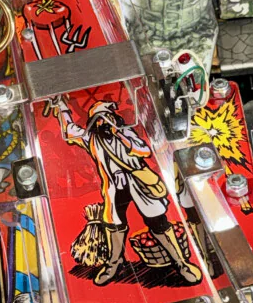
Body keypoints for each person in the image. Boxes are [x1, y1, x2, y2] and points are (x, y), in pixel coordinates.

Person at [52, 98, 202, 286]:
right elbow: (69, 130)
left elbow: (143, 150)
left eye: (106, 117)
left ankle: (181, 263)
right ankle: (114, 264)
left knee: (158, 222)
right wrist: (62, 107)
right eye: (99, 120)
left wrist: (120, 134)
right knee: (114, 224)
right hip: (114, 186)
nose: (103, 122)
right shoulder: (91, 139)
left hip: (138, 182)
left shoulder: (126, 132)